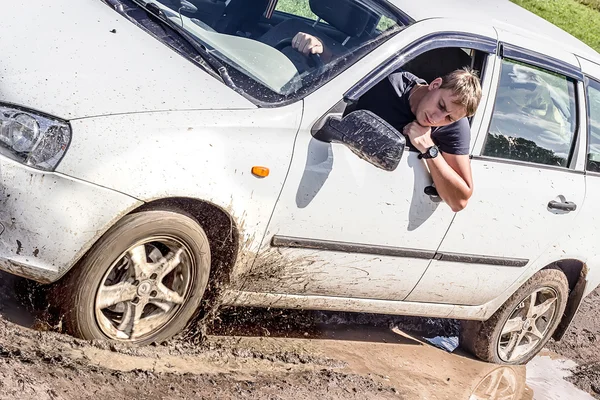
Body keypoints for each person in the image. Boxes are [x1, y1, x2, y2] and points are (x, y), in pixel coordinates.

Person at [290, 32, 482, 212]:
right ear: (435, 85)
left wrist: (429, 148)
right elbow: (344, 69)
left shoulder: (456, 126)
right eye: (441, 105)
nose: (437, 119)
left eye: (449, 118)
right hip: (344, 179)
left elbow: (460, 201)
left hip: (379, 204)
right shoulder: (389, 81)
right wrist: (319, 47)